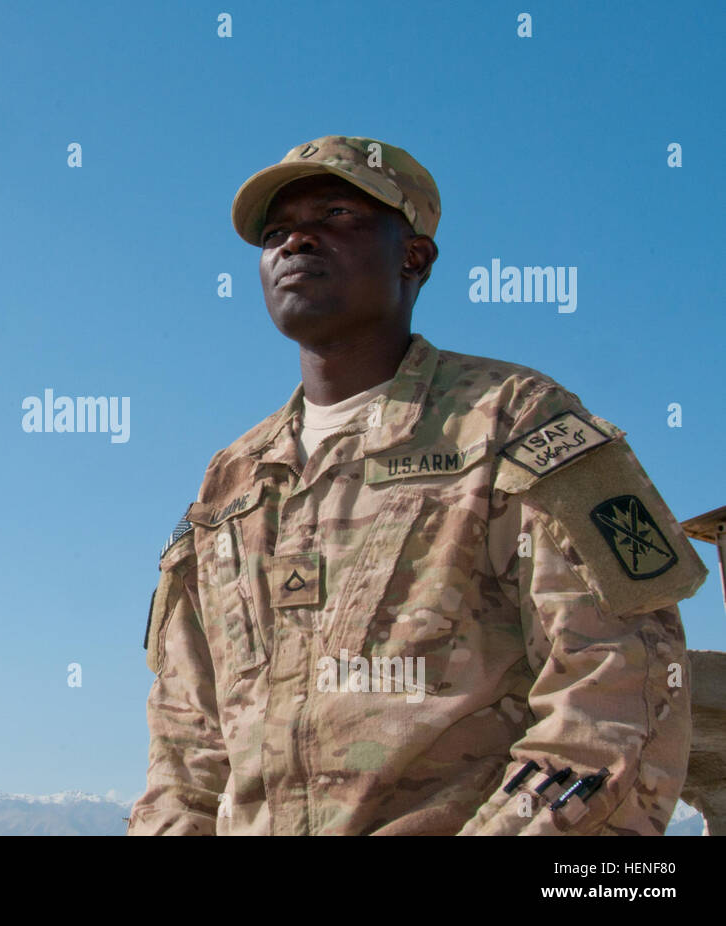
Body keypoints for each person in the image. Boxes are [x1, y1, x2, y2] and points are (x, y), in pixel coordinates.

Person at [127, 135, 708, 835]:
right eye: (276, 232)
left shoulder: (512, 422)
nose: (295, 242)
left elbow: (617, 695)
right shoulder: (233, 480)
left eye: (336, 215)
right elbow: (185, 746)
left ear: (414, 257)